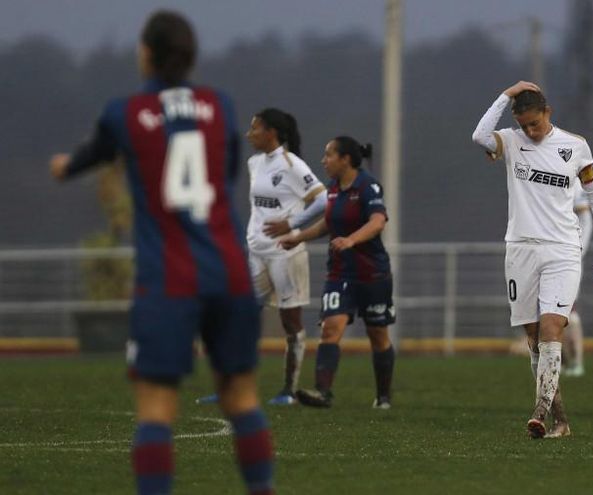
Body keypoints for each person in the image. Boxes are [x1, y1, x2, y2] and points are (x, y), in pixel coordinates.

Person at [48, 11, 275, 494]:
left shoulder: (123, 113)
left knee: (156, 408)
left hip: (169, 275)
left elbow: (92, 155)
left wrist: (65, 167)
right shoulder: (221, 105)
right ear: (191, 57)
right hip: (229, 271)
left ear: (146, 53)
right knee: (242, 397)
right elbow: (227, 170)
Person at [472, 81, 593, 439]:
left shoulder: (575, 146)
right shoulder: (511, 141)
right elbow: (479, 136)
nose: (530, 132)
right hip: (520, 249)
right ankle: (561, 420)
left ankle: (539, 409)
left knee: (553, 328)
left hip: (563, 249)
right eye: (525, 126)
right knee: (534, 339)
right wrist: (507, 94)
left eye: (535, 123)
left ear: (548, 112)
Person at [197, 108, 327, 407]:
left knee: (289, 321)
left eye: (255, 128)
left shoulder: (291, 164)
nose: (249, 133)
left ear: (272, 133)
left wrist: (293, 225)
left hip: (286, 254)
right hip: (256, 254)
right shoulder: (255, 162)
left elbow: (323, 199)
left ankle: (288, 391)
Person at [279, 136, 396, 409]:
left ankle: (383, 397)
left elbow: (378, 222)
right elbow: (328, 225)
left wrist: (352, 240)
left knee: (378, 335)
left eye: (329, 155)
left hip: (372, 274)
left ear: (345, 159)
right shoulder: (333, 189)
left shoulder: (368, 186)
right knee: (331, 329)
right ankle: (323, 392)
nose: (324, 161)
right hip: (340, 273)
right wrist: (298, 237)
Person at [562, 189, 593, 378]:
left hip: (567, 255)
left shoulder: (573, 181)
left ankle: (576, 362)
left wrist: (577, 250)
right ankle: (563, 362)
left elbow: (586, 218)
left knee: (569, 312)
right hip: (545, 251)